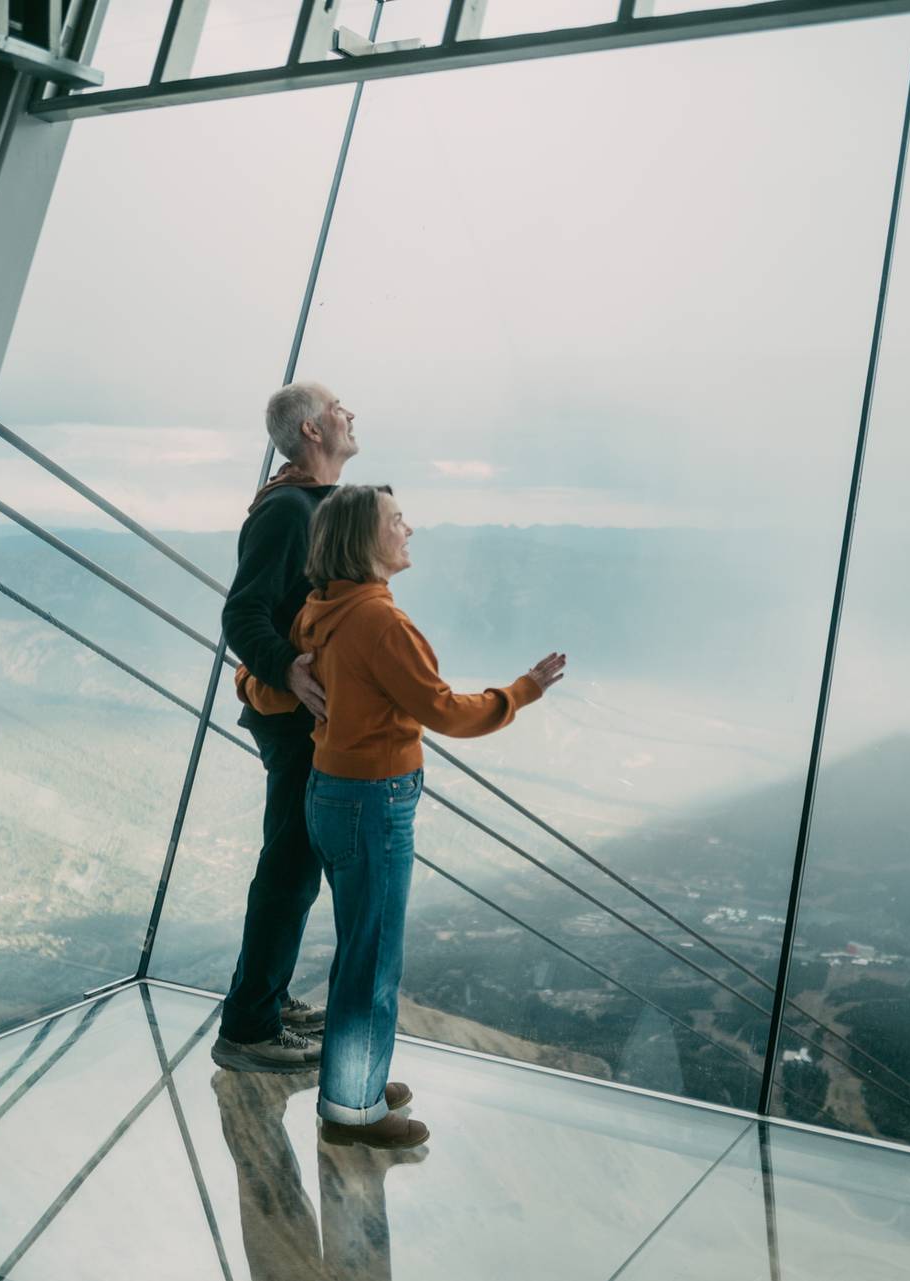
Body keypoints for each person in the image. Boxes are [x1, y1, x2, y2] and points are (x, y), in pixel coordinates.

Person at [239, 484, 566, 1148]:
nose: (408, 529)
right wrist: (523, 691)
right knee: (373, 958)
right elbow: (445, 710)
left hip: (328, 792)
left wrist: (251, 684)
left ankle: (353, 1078)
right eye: (396, 521)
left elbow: (274, 681)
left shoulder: (321, 609)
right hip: (373, 802)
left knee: (358, 949)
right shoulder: (381, 623)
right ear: (369, 539)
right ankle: (352, 1110)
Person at [211, 382, 359, 1073]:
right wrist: (289, 672)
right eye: (337, 408)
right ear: (309, 429)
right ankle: (248, 1027)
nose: (349, 413)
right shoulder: (289, 512)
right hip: (295, 719)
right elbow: (243, 613)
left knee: (292, 866)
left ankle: (262, 999)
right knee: (290, 870)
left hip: (307, 717)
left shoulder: (311, 506)